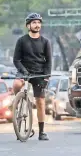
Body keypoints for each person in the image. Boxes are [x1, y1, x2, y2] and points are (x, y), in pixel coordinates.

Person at [13, 13, 52, 141]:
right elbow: (16, 60)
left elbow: (49, 62)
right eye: (34, 22)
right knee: (16, 85)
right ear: (28, 25)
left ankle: (42, 132)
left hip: (40, 73)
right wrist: (23, 71)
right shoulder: (21, 41)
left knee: (40, 101)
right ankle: (19, 103)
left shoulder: (45, 42)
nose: (37, 25)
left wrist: (46, 77)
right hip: (24, 71)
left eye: (39, 22)